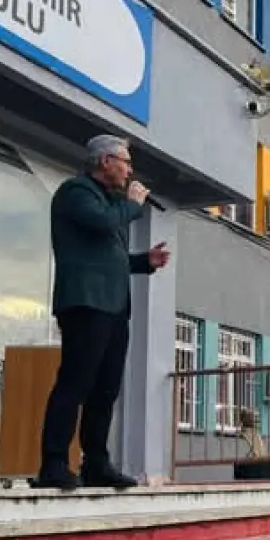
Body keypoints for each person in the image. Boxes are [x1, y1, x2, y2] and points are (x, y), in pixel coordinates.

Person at [37, 135, 170, 490]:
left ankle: (96, 463)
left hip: (113, 307)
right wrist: (133, 204)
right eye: (125, 162)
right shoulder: (75, 192)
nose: (129, 170)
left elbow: (109, 258)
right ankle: (53, 463)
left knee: (106, 389)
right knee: (75, 382)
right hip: (85, 303)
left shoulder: (111, 204)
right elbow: (101, 223)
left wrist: (144, 261)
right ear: (105, 161)